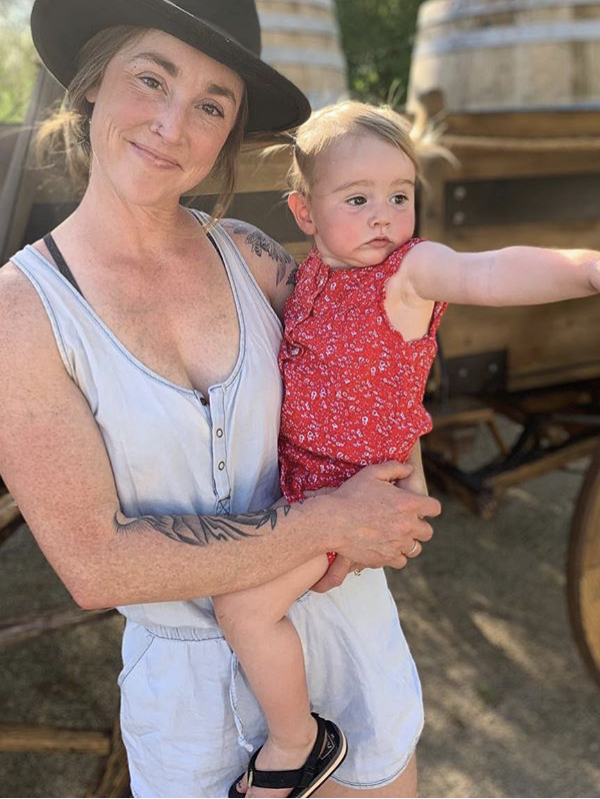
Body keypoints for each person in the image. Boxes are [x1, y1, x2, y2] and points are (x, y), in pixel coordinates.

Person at [0, 0, 442, 799]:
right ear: (93, 83)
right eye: (152, 79)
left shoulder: (255, 258)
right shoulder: (18, 310)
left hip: (346, 629)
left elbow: (372, 366)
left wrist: (400, 470)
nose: (172, 125)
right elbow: (97, 564)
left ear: (229, 134)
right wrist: (331, 518)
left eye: (212, 104)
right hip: (190, 700)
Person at [212, 100, 600, 798]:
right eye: (357, 199)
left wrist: (587, 268)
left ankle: (297, 744)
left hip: (351, 499)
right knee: (276, 604)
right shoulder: (312, 279)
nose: (384, 216)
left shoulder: (408, 274)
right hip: (301, 490)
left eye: (400, 196)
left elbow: (490, 273)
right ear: (305, 214)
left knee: (241, 608)